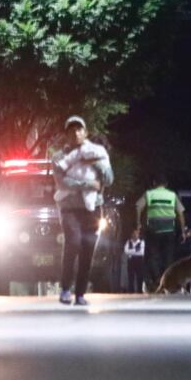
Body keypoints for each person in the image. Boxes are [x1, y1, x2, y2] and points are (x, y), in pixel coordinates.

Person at [52, 115, 113, 306]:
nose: (75, 133)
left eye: (79, 129)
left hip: (93, 209)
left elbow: (109, 179)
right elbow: (62, 182)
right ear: (66, 134)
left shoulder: (97, 152)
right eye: (71, 130)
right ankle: (65, 289)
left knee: (88, 250)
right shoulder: (59, 157)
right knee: (73, 242)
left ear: (85, 133)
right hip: (69, 208)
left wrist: (95, 163)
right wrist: (88, 184)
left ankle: (80, 294)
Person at [136, 176, 188, 292]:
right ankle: (167, 281)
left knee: (153, 256)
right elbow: (181, 213)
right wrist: (183, 230)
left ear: (154, 183)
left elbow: (138, 206)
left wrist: (138, 224)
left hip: (153, 230)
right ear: (166, 184)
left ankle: (157, 280)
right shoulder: (172, 195)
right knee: (168, 257)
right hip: (169, 230)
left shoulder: (149, 194)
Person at [124, 228, 146, 294]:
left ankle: (139, 291)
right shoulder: (128, 242)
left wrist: (131, 251)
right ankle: (131, 292)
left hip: (139, 261)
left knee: (140, 277)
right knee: (131, 277)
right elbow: (126, 251)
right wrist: (136, 250)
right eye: (134, 234)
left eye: (136, 234)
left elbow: (141, 252)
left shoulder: (142, 242)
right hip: (131, 262)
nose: (135, 235)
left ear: (138, 234)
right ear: (132, 234)